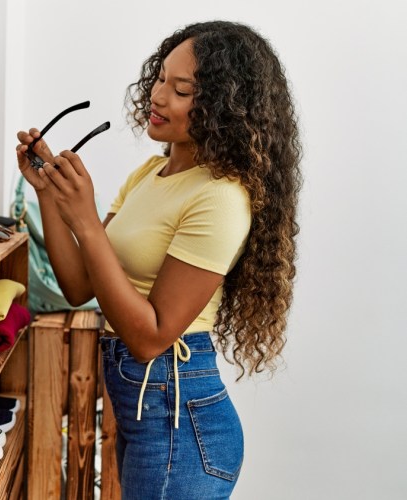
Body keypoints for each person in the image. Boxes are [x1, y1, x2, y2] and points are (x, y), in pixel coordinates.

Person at [16, 20, 302, 498]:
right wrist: (48, 191)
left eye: (182, 89)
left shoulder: (220, 198)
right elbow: (79, 286)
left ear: (225, 108)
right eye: (160, 78)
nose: (159, 96)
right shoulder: (151, 173)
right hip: (148, 416)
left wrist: (85, 220)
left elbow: (149, 338)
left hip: (179, 425)